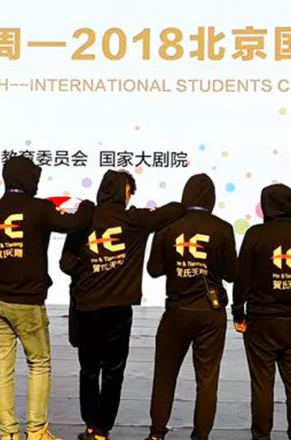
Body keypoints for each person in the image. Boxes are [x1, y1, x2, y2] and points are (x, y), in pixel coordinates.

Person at [0, 156, 94, 440]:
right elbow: (75, 222)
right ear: (27, 179)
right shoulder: (39, 209)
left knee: (1, 368)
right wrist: (88, 206)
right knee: (39, 363)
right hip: (27, 301)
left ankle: (8, 434)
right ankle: (37, 430)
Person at [61, 169, 184, 440]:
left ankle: (90, 425)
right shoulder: (135, 220)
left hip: (86, 307)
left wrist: (88, 268)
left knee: (88, 370)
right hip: (117, 310)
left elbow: (65, 264)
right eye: (130, 192)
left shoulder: (85, 218)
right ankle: (102, 430)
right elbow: (175, 209)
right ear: (124, 192)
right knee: (113, 371)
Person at [143, 174, 236, 440]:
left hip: (177, 311)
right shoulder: (223, 228)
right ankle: (200, 436)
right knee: (207, 380)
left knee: (165, 376)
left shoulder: (168, 227)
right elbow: (232, 273)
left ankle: (157, 434)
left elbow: (153, 269)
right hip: (211, 313)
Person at [232, 184, 291, 440]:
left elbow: (242, 276)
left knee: (262, 385)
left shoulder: (255, 235)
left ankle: (261, 437)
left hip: (261, 320)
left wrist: (238, 312)